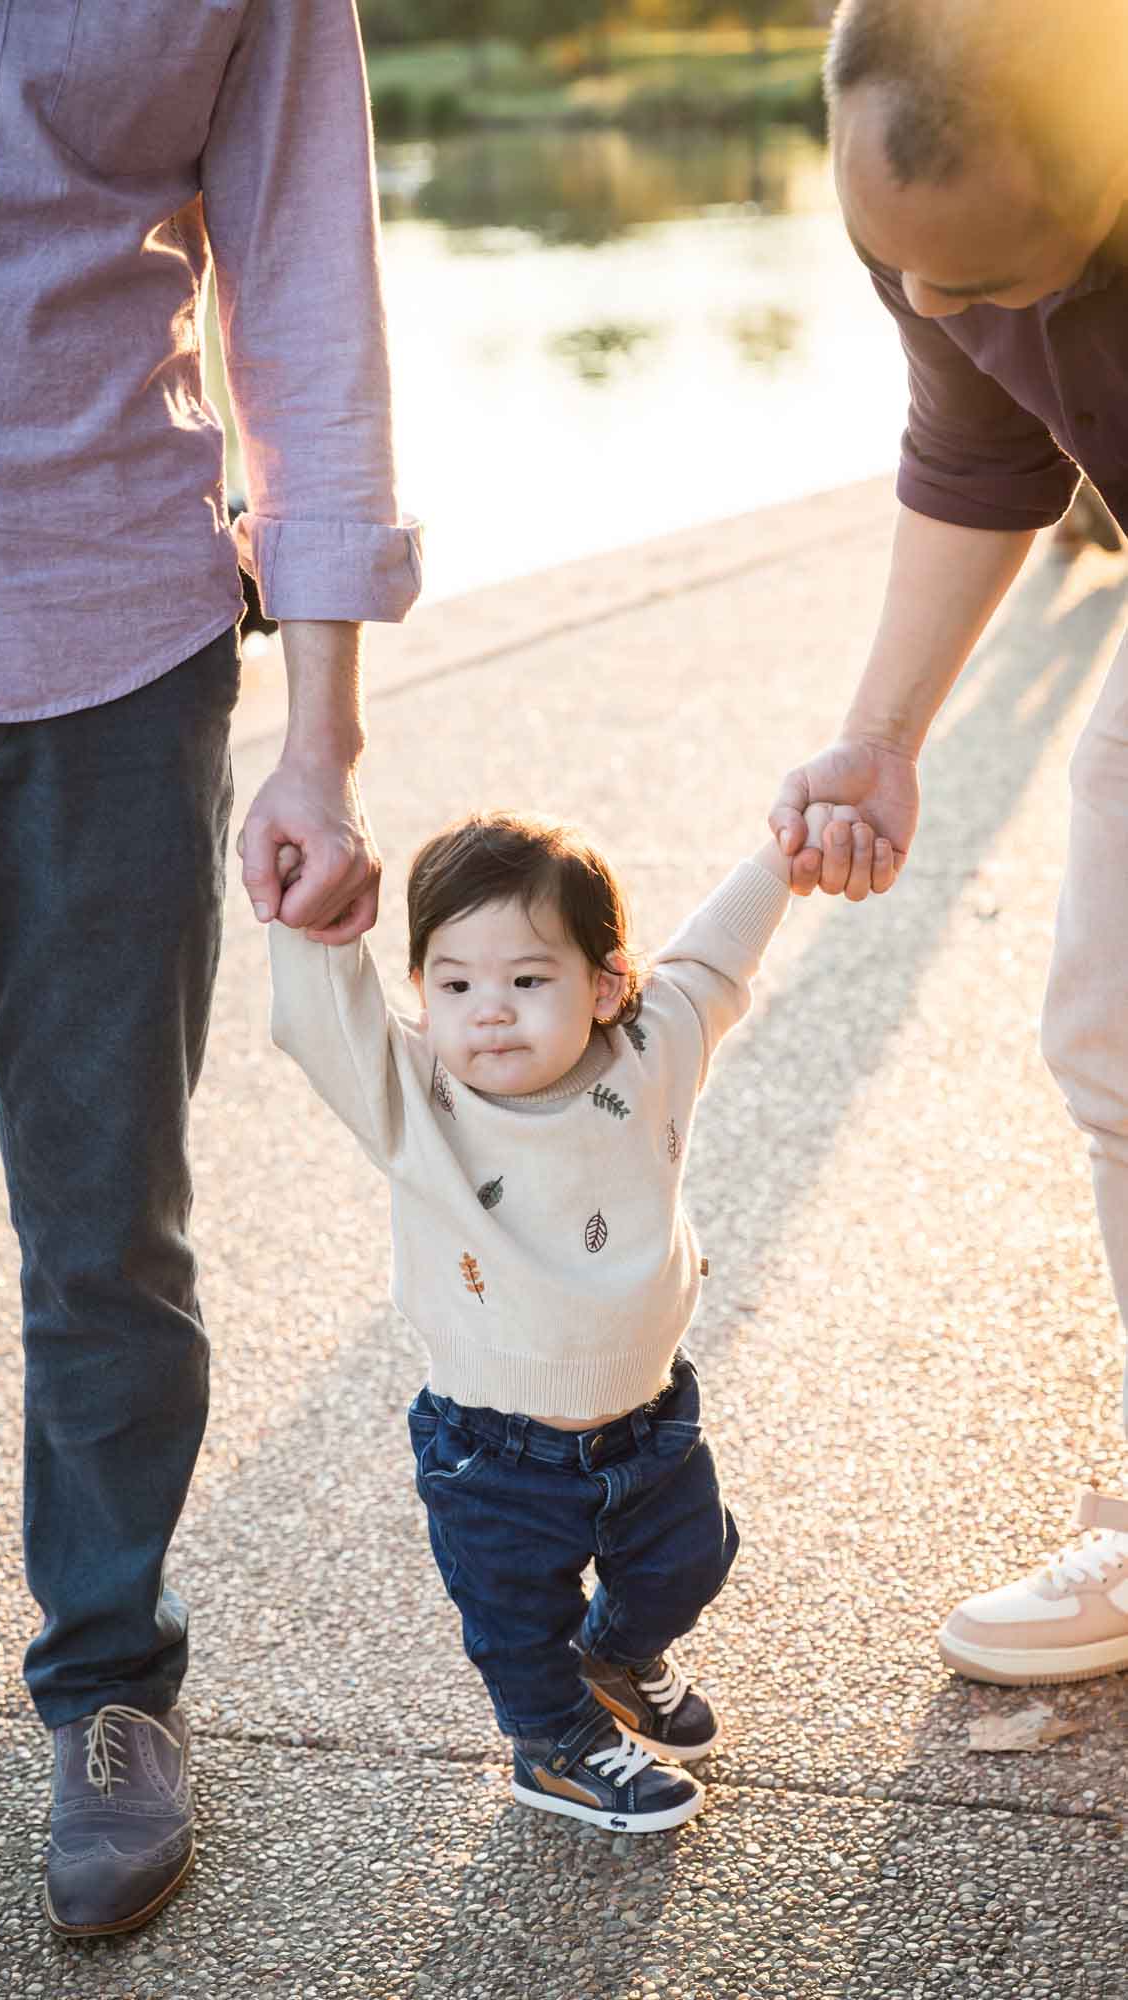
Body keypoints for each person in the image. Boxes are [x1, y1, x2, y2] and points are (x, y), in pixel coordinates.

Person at [0, 2, 419, 1987]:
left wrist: (323, 738)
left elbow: (308, 294)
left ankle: (110, 1688)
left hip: (117, 635)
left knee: (104, 1234)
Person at [266, 806, 890, 1830]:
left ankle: (616, 1653)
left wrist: (781, 857)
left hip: (649, 1419)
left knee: (691, 1561)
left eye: (527, 978)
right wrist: (309, 914)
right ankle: (552, 1743)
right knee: (517, 1621)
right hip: (493, 1450)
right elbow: (320, 1019)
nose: (490, 1011)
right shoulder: (414, 1098)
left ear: (605, 986)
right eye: (455, 983)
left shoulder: (649, 1049)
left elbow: (715, 956)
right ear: (420, 994)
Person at [768, 0, 1128, 1687]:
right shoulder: (922, 206)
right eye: (883, 256)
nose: (922, 301)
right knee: (1112, 1040)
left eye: (979, 278)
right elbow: (975, 447)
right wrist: (883, 736)